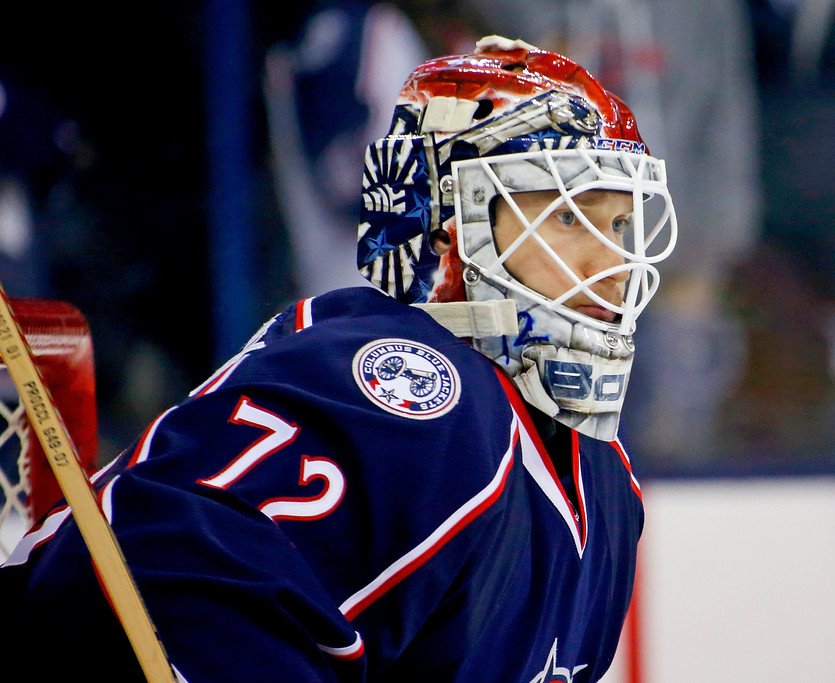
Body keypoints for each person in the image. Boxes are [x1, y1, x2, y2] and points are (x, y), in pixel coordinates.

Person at [0, 35, 677, 681]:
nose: (614, 262)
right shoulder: (415, 389)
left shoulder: (609, 491)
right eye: (569, 216)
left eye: (620, 223)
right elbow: (168, 557)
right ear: (449, 229)